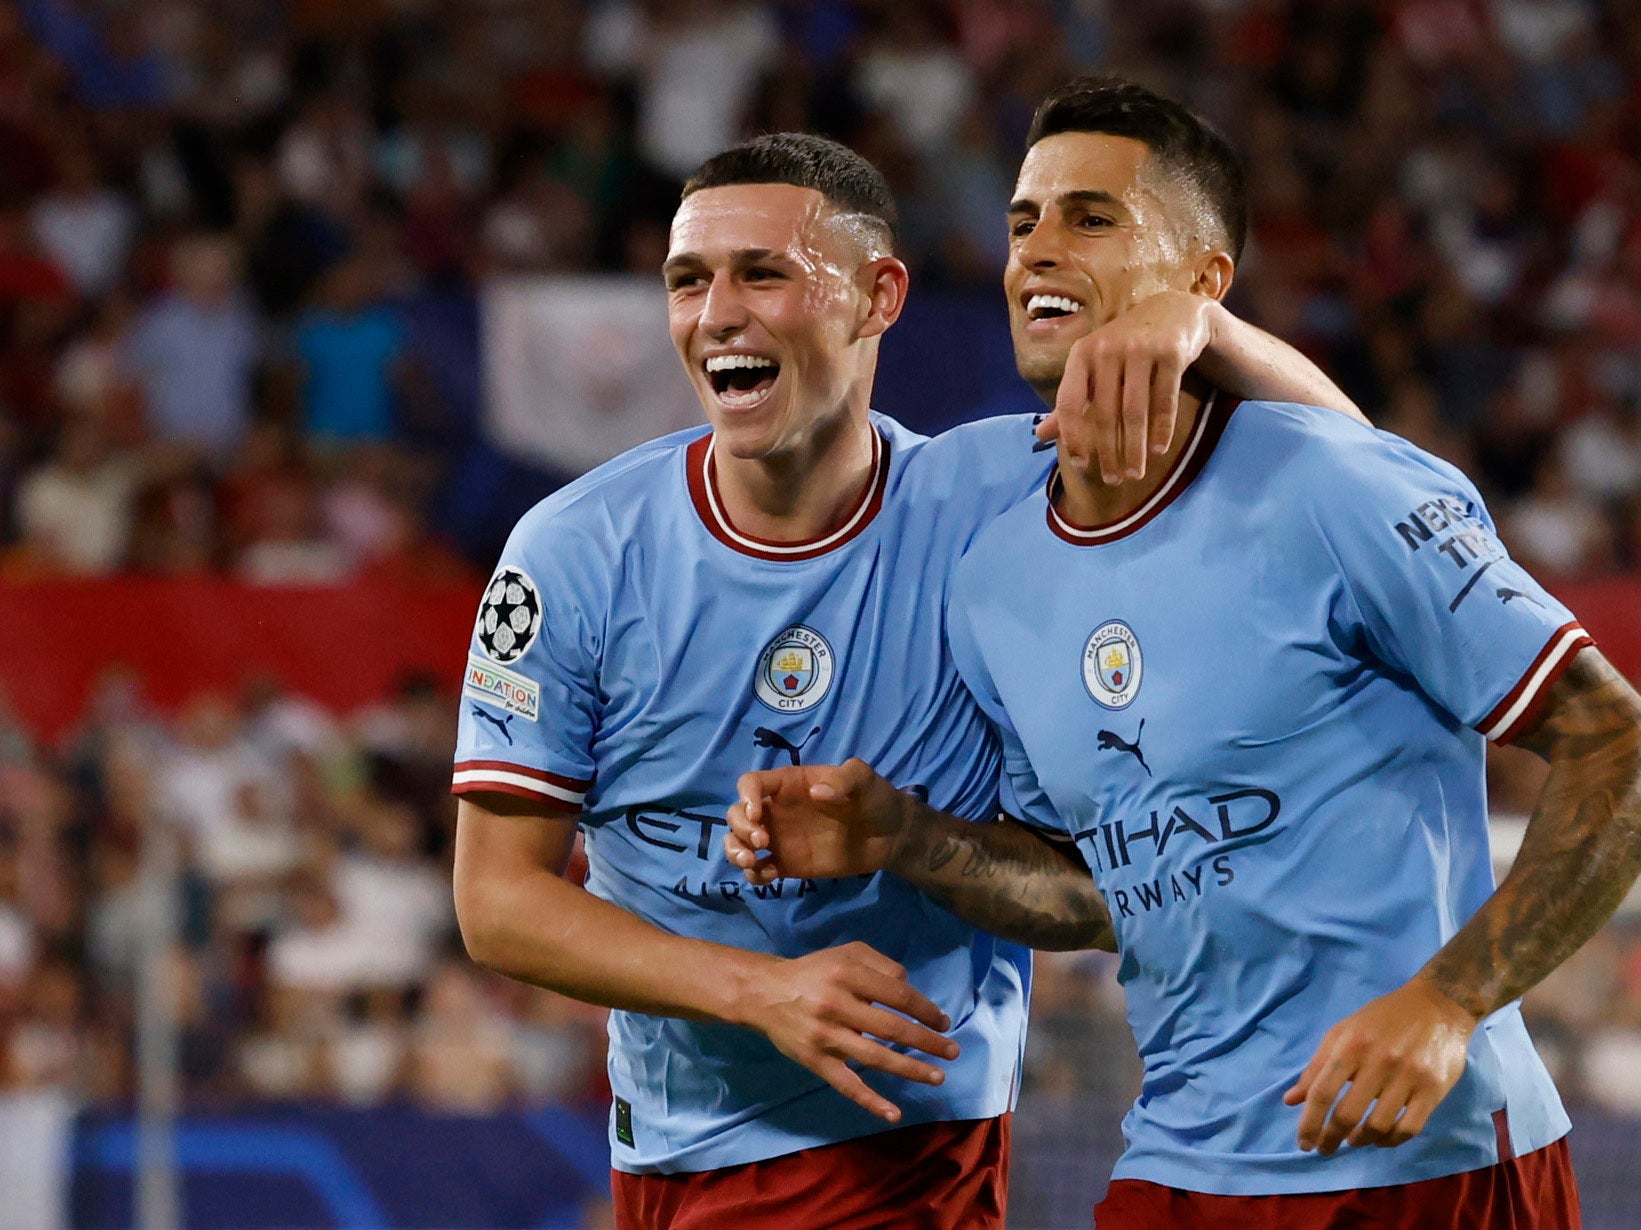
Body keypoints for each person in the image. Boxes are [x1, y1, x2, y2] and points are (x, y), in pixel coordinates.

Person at [726, 80, 1641, 1228]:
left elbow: (1630, 753)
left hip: (1420, 1161)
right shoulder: (993, 577)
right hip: (1180, 1167)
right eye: (1024, 220)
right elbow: (1098, 895)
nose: (1039, 247)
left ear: (1204, 283)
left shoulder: (1330, 482)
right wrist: (903, 836)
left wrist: (1448, 1001)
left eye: (1092, 217)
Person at [450, 132, 1364, 1229]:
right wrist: (764, 993)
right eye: (689, 282)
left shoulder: (1003, 496)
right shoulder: (571, 552)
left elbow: (1356, 494)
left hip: (919, 1150)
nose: (717, 315)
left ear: (879, 296)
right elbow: (497, 900)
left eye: (764, 274)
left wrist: (1203, 328)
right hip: (677, 1156)